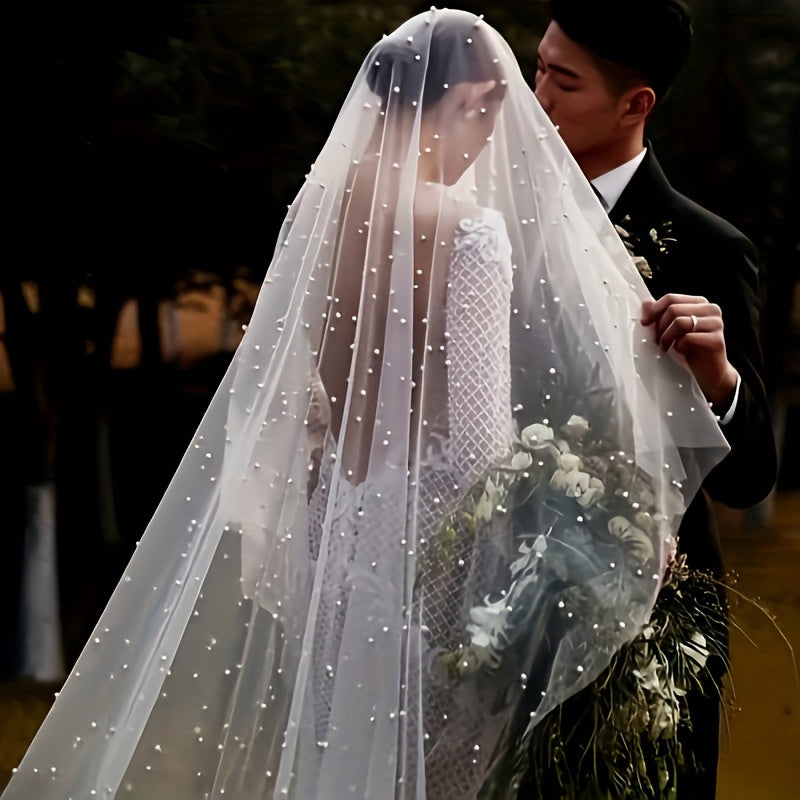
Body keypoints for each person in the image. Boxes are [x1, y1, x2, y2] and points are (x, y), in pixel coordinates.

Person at [1, 9, 731, 799]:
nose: (496, 144)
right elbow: (478, 449)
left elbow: (312, 402)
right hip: (433, 556)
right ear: (473, 100)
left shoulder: (325, 208)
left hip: (338, 531)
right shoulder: (468, 230)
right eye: (497, 114)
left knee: (340, 761)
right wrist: (566, 539)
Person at [526, 0, 778, 796]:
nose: (536, 98)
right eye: (536, 67)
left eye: (562, 82)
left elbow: (749, 481)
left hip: (652, 631)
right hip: (504, 625)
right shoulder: (494, 226)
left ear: (637, 104)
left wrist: (720, 381)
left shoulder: (708, 248)